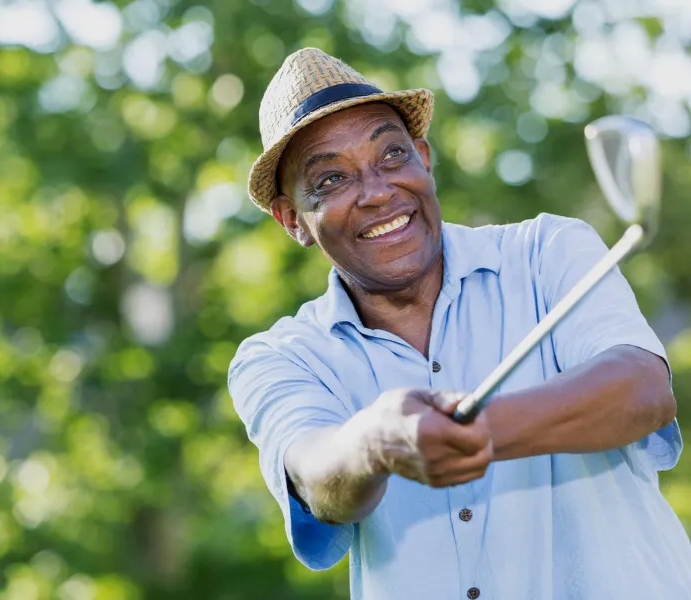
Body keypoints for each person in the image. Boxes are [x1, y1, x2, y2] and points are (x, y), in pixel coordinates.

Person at [227, 47, 691, 599]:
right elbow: (312, 470)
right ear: (291, 220)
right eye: (330, 180)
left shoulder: (547, 251)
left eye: (393, 154)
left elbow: (640, 391)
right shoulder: (281, 356)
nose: (377, 192)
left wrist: (475, 432)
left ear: (423, 158)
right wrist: (377, 443)